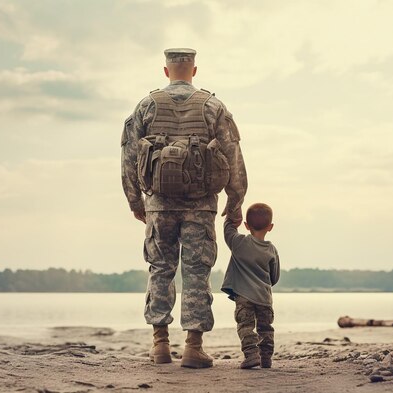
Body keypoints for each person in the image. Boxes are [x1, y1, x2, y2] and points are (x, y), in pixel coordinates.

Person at [121, 48, 247, 369]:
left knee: (160, 269)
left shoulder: (146, 106)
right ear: (194, 70)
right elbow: (232, 156)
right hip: (201, 206)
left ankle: (160, 345)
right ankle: (193, 347)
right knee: (196, 272)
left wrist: (136, 201)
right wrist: (236, 201)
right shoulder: (213, 107)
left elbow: (130, 158)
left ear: (166, 71)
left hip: (159, 205)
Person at [221, 203, 280, 369]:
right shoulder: (271, 250)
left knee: (245, 326)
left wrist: (231, 216)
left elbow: (228, 231)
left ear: (246, 226)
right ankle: (266, 359)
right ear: (270, 227)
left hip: (243, 297)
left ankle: (251, 355)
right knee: (266, 328)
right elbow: (274, 277)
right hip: (264, 298)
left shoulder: (239, 243)